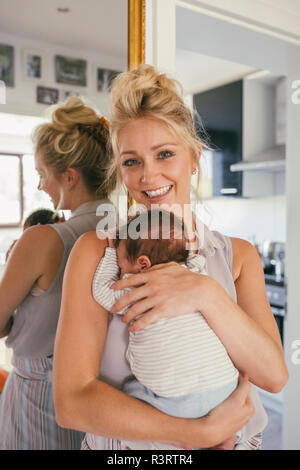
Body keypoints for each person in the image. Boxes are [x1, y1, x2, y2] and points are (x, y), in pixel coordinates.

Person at [53, 65, 288, 450]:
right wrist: (199, 434)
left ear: (195, 158)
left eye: (164, 154)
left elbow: (274, 376)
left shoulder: (238, 256)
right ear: (120, 171)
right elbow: (72, 403)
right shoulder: (98, 253)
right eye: (131, 161)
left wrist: (205, 294)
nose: (148, 176)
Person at [0, 96, 116, 450]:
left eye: (41, 175)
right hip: (107, 399)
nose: (40, 186)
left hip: (40, 400)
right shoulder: (132, 232)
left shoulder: (43, 240)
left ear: (69, 176)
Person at [94, 209, 243, 449]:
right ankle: (224, 438)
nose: (120, 274)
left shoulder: (138, 287)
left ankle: (172, 438)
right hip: (224, 389)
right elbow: (195, 257)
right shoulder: (196, 275)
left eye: (122, 268)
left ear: (143, 265)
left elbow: (102, 291)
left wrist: (111, 253)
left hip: (173, 399)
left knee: (129, 402)